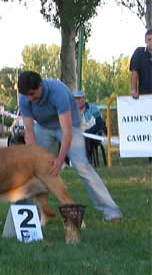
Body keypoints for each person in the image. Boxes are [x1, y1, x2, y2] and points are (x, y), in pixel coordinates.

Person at [17, 71, 122, 223]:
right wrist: (35, 157)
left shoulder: (58, 92)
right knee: (34, 169)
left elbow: (67, 132)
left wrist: (60, 160)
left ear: (40, 86)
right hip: (44, 128)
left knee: (82, 167)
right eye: (27, 95)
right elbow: (29, 131)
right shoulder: (25, 99)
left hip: (69, 126)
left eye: (32, 94)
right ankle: (36, 216)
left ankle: (111, 212)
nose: (30, 99)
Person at [73, 89, 107, 165]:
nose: (78, 101)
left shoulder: (93, 109)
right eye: (76, 99)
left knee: (85, 137)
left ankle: (87, 162)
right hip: (77, 134)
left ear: (84, 99)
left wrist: (88, 132)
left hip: (92, 134)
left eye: (80, 98)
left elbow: (100, 124)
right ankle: (65, 163)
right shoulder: (71, 111)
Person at [130, 29, 152, 99]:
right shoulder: (139, 52)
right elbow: (134, 71)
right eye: (149, 39)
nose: (151, 42)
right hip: (144, 97)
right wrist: (134, 90)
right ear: (145, 41)